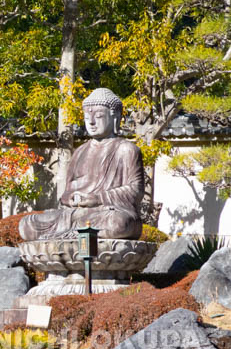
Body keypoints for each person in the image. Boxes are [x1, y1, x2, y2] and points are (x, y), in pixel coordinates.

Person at [19, 88, 144, 240]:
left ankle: (73, 234)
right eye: (86, 117)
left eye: (98, 116)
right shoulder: (80, 151)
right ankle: (78, 234)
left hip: (107, 212)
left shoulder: (126, 149)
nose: (91, 122)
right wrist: (72, 198)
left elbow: (136, 190)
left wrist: (97, 198)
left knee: (119, 223)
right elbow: (66, 194)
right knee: (27, 224)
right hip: (74, 215)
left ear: (114, 116)